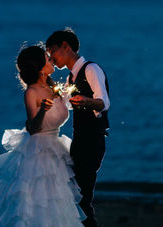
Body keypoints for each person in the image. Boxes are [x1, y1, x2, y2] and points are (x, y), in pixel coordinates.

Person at [0, 45, 85, 226]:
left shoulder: (53, 88)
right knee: (31, 201)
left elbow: (62, 111)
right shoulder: (31, 92)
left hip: (54, 149)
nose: (52, 61)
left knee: (54, 199)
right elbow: (33, 127)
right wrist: (42, 110)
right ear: (40, 68)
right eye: (48, 59)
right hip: (36, 151)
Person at [46, 28, 110, 227]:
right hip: (79, 140)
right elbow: (65, 106)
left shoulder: (91, 69)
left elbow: (104, 103)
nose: (51, 58)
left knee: (82, 198)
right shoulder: (70, 78)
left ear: (66, 46)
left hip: (92, 140)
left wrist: (87, 101)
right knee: (75, 194)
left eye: (52, 52)